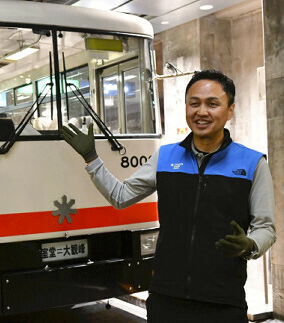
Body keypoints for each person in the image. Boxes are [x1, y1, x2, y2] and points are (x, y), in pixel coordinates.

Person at [61, 69, 276, 322]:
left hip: (223, 301)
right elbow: (120, 196)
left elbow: (266, 228)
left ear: (230, 110)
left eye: (212, 104)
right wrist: (91, 158)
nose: (202, 111)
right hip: (166, 298)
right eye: (194, 103)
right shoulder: (165, 157)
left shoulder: (252, 163)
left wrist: (250, 245)